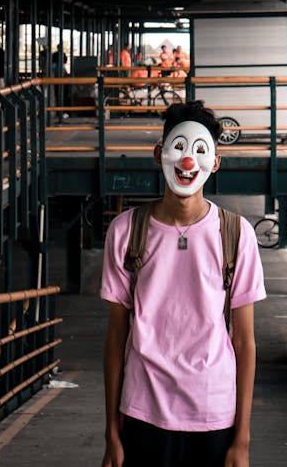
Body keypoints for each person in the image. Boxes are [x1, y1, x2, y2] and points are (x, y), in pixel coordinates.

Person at [100, 100, 266, 467]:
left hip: (214, 414)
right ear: (159, 154)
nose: (187, 161)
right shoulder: (126, 231)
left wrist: (243, 439)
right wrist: (111, 430)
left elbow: (244, 341)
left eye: (200, 151)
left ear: (215, 162)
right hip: (142, 411)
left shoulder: (238, 235)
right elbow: (115, 334)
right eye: (178, 148)